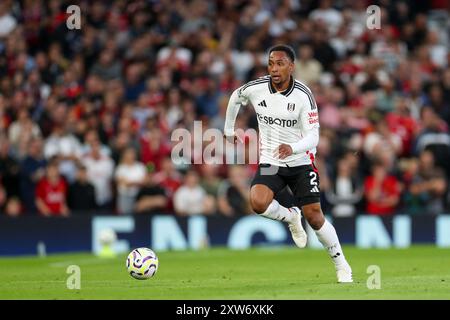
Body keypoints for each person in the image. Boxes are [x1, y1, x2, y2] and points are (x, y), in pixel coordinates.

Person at [223, 45, 352, 283]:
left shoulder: (303, 95)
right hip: (272, 161)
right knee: (257, 202)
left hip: (301, 161)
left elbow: (314, 137)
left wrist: (292, 148)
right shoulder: (256, 88)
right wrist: (229, 128)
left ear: (291, 67)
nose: (274, 68)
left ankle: (341, 264)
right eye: (271, 63)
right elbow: (235, 97)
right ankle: (291, 217)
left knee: (314, 216)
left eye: (280, 63)